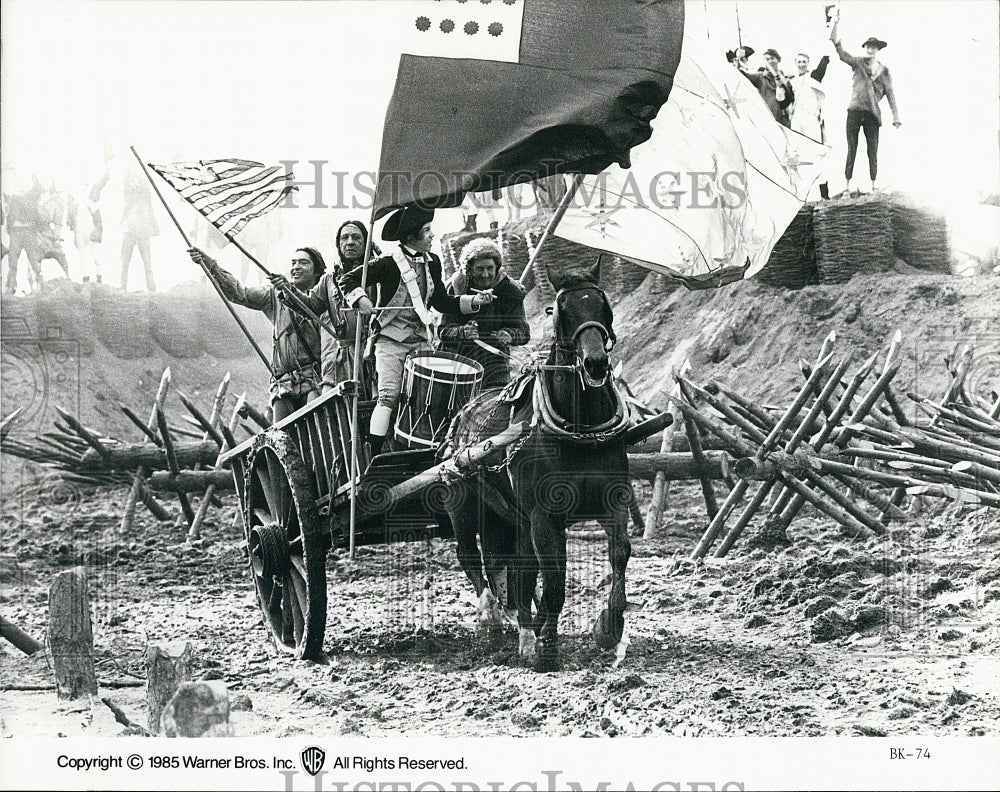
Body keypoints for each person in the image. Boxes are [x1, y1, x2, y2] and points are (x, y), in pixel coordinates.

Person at [341, 206, 494, 455]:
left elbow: (442, 302)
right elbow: (347, 280)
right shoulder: (389, 263)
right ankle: (375, 456)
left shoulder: (433, 262)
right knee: (388, 397)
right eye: (427, 231)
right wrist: (360, 300)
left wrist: (475, 302)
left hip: (421, 340)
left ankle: (424, 451)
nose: (432, 236)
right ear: (412, 237)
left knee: (425, 401)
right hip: (390, 341)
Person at [189, 245, 325, 422]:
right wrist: (210, 265)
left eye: (303, 263)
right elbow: (240, 294)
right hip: (284, 382)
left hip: (314, 377)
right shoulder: (275, 295)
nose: (296, 267)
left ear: (316, 272)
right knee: (282, 438)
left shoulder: (323, 297)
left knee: (318, 433)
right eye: (293, 262)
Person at [281, 220, 374, 393]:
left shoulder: (377, 274)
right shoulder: (329, 280)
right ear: (338, 245)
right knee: (341, 412)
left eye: (356, 237)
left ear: (366, 242)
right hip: (341, 359)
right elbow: (310, 307)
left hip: (371, 353)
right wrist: (288, 289)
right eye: (344, 238)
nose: (350, 242)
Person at [439, 237, 529, 389]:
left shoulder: (511, 292)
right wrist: (462, 332)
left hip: (495, 363)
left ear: (497, 268)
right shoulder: (456, 288)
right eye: (480, 269)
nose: (485, 274)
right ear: (470, 270)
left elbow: (524, 333)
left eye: (490, 268)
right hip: (458, 360)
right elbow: (443, 331)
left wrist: (509, 335)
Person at [830, 13, 901, 195]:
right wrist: (835, 25)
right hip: (854, 110)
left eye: (873, 48)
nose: (870, 50)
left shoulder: (884, 72)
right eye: (868, 47)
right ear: (865, 49)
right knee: (851, 148)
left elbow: (891, 94)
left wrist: (896, 116)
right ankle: (846, 185)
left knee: (872, 150)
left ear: (878, 50)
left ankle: (873, 185)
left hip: (872, 114)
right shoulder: (858, 63)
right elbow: (841, 52)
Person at [789, 52, 831, 199]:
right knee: (796, 156)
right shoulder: (792, 81)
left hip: (811, 118)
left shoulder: (813, 77)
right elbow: (785, 101)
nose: (801, 64)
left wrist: (826, 54)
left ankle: (824, 195)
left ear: (808, 63)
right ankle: (799, 195)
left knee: (816, 155)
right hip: (796, 120)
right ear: (795, 63)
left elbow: (822, 66)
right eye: (799, 61)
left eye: (804, 62)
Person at [729, 45, 795, 127]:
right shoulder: (759, 77)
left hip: (783, 121)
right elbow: (743, 77)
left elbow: (789, 101)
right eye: (767, 59)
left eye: (772, 58)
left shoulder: (785, 79)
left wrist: (781, 86)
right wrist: (738, 60)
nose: (770, 61)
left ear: (778, 60)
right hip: (766, 119)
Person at [121, 163, 160, 290]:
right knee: (125, 262)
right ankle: (123, 286)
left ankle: (151, 287)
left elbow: (146, 185)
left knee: (147, 262)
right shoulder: (128, 192)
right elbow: (126, 180)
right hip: (129, 231)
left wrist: (137, 175)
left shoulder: (145, 192)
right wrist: (129, 169)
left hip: (143, 231)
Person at [3, 174, 44, 293]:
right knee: (12, 260)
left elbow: (38, 189)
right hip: (15, 233)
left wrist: (33, 175)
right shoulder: (11, 198)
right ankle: (11, 286)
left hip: (29, 231)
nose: (21, 187)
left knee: (34, 259)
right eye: (18, 184)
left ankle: (40, 283)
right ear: (15, 186)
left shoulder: (31, 197)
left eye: (24, 185)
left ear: (28, 187)